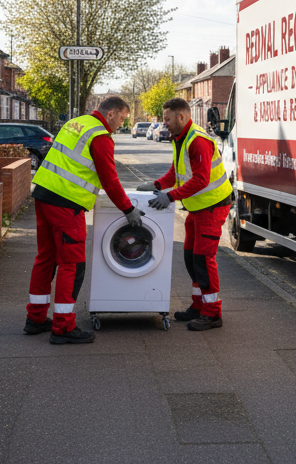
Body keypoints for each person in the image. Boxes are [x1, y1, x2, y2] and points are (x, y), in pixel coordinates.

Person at [25, 95, 140, 344]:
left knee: (45, 258)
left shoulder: (75, 123)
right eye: (121, 118)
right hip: (67, 204)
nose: (120, 124)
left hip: (43, 193)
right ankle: (63, 327)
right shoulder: (100, 137)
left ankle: (35, 319)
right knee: (72, 264)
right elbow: (109, 179)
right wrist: (128, 209)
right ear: (110, 114)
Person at [139, 97, 234, 331]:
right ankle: (198, 306)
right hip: (197, 207)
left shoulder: (197, 141)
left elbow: (201, 179)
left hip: (211, 206)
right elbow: (176, 172)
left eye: (167, 119)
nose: (164, 124)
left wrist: (170, 196)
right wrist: (157, 185)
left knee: (203, 258)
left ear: (181, 116)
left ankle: (212, 313)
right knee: (191, 256)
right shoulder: (181, 138)